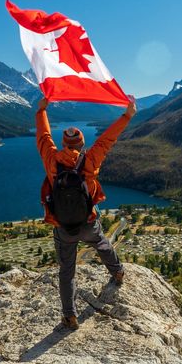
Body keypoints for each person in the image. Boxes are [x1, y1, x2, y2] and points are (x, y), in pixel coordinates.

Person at [36, 95, 137, 330]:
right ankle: (117, 272)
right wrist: (127, 115)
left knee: (67, 271)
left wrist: (41, 111)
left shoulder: (52, 159)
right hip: (88, 221)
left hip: (63, 227)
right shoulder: (90, 159)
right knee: (102, 244)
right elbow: (106, 140)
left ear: (63, 143)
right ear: (82, 144)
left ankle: (70, 316)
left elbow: (43, 137)